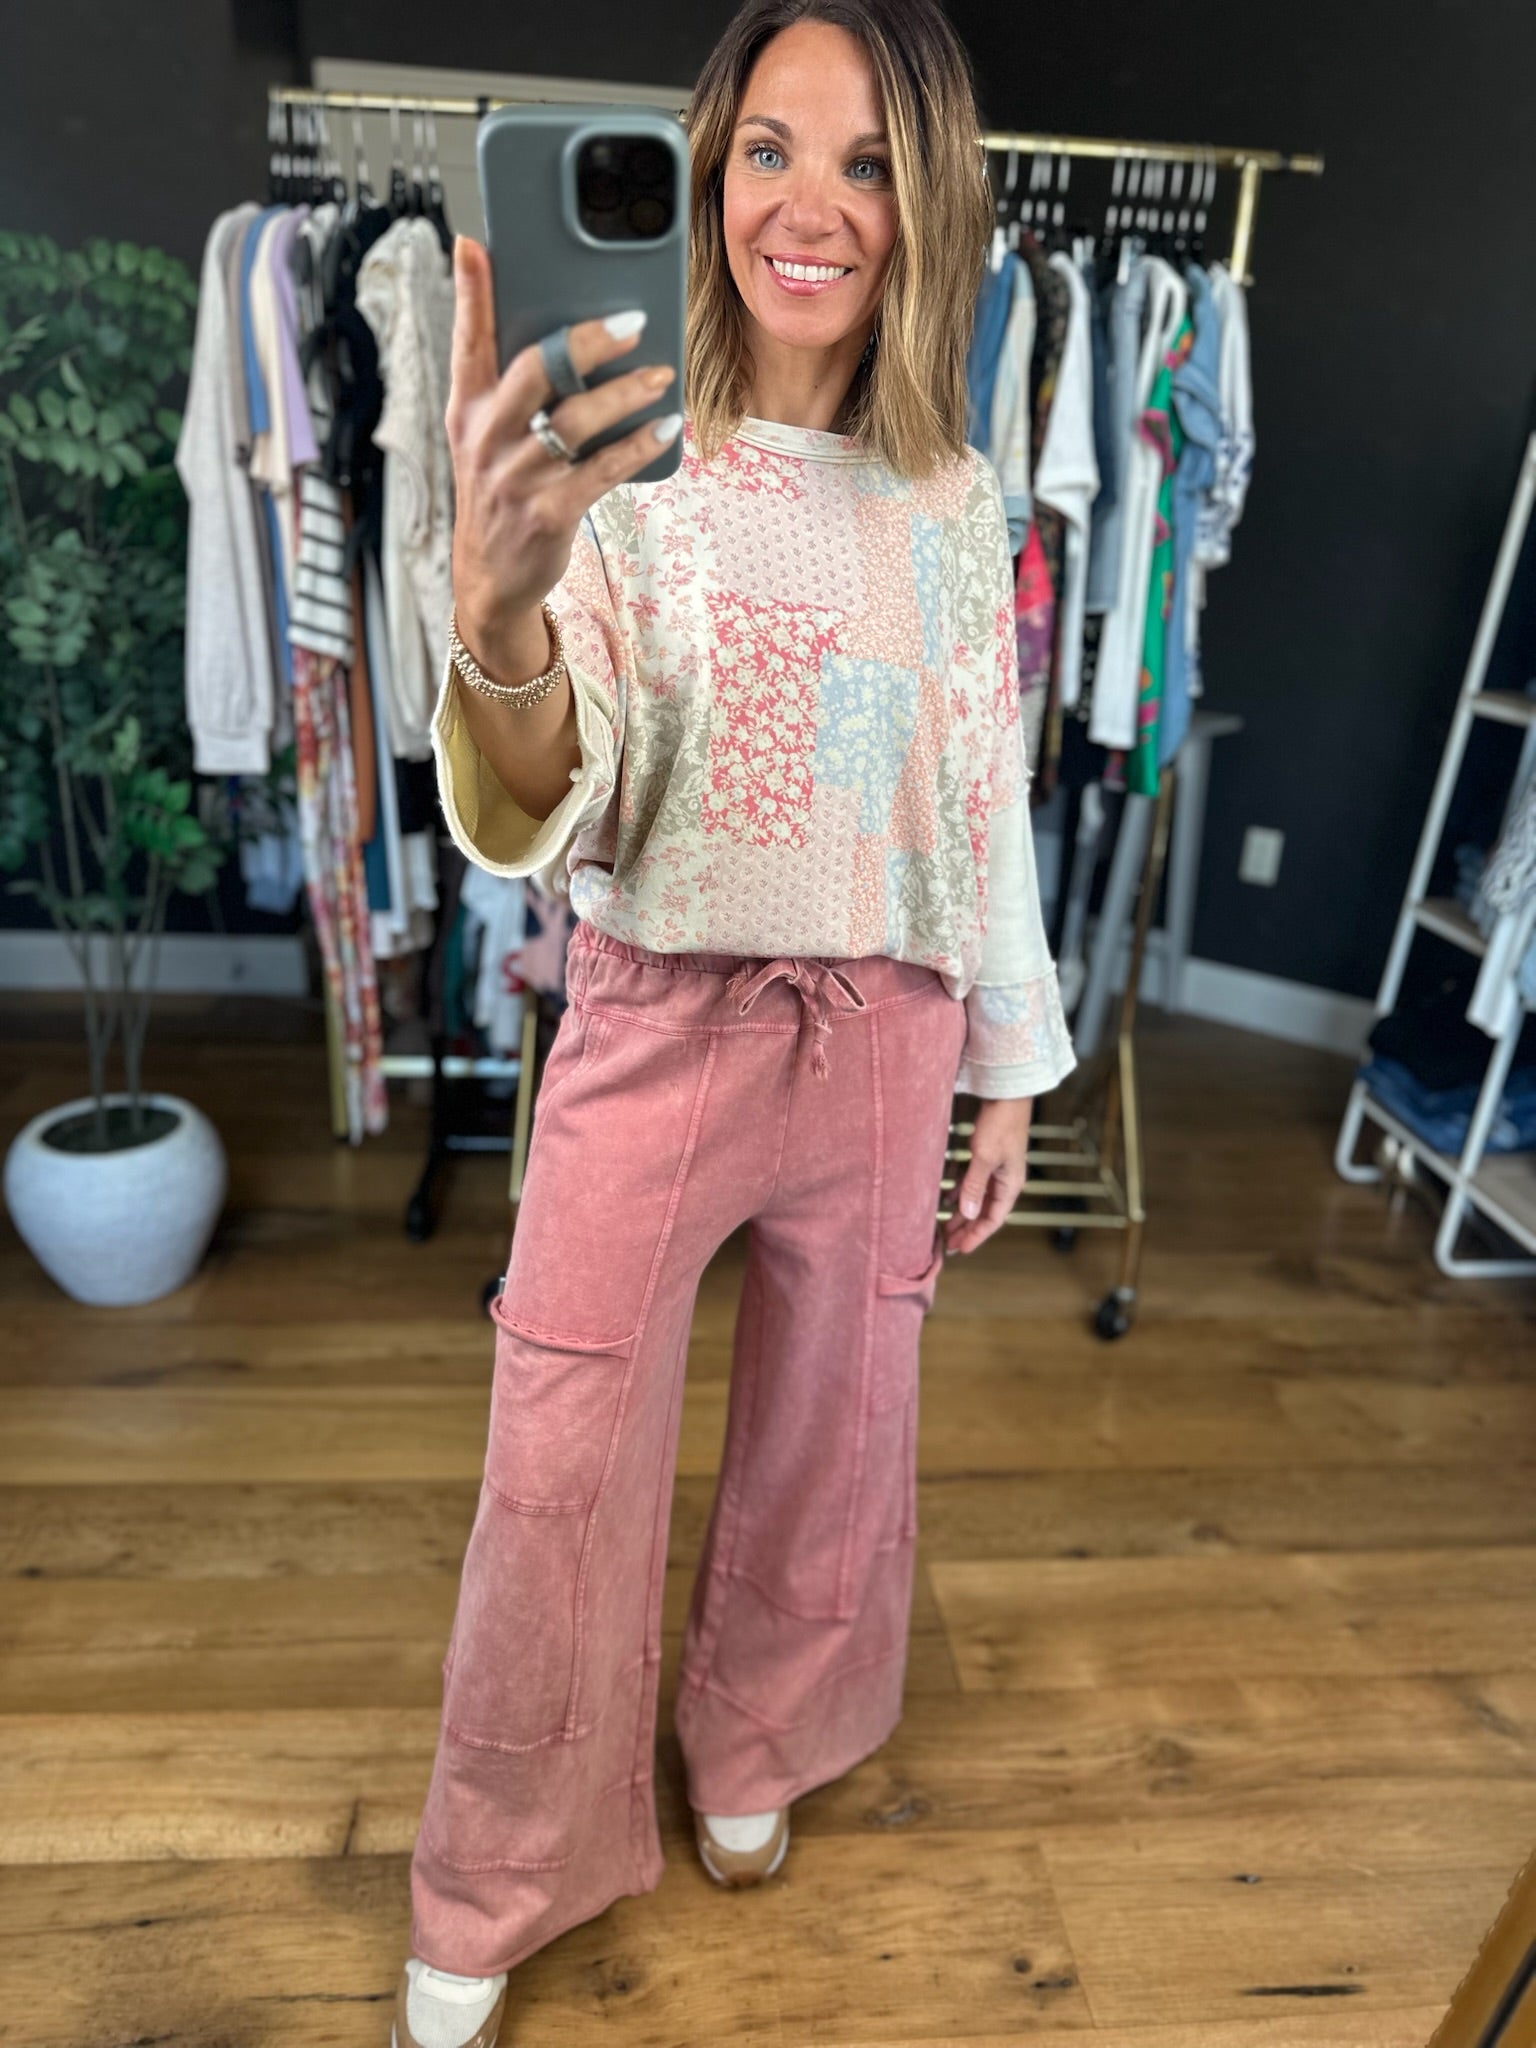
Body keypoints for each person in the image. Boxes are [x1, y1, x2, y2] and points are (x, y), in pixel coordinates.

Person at [393, 1, 1075, 2041]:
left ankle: (759, 1733)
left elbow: (977, 796)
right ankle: (496, 1867)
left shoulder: (957, 493)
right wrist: (496, 612)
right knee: (559, 1459)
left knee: (832, 1437)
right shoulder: (619, 464)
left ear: (927, 201)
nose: (814, 205)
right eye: (770, 148)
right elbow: (547, 800)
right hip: (659, 1019)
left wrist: (1007, 1064)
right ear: (707, 173)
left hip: (886, 1030)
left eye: (868, 162)